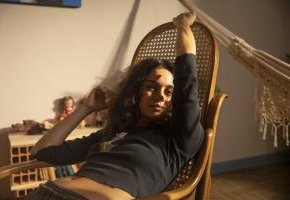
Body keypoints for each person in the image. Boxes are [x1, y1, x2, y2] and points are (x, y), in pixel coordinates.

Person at [27, 12, 204, 200]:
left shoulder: (179, 139)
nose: (160, 97)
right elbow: (42, 152)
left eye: (169, 92)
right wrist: (85, 108)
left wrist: (183, 25)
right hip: (45, 193)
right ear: (135, 92)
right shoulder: (114, 133)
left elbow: (187, 75)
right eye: (151, 88)